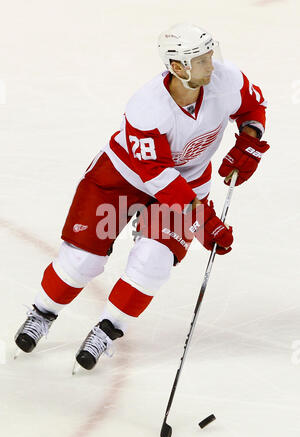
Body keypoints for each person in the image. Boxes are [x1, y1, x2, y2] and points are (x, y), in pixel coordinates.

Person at [14, 23, 269, 371]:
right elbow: (159, 177)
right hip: (120, 179)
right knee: (80, 262)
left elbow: (253, 107)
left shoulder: (225, 80)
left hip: (186, 185)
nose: (212, 65)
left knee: (153, 262)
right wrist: (203, 220)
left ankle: (107, 329)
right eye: (202, 59)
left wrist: (249, 141)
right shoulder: (147, 107)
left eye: (211, 54)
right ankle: (42, 313)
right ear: (178, 68)